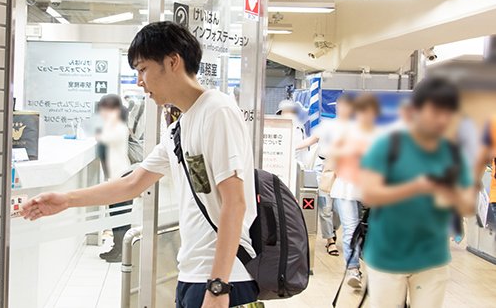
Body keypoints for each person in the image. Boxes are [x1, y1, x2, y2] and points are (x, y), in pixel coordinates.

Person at [21, 22, 258, 308]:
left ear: (172, 62)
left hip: (224, 280)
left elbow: (235, 202)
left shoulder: (217, 111)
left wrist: (218, 288)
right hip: (193, 274)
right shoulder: (178, 127)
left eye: (143, 68)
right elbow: (133, 183)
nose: (139, 81)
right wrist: (66, 200)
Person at [360, 77, 475, 308]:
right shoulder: (387, 146)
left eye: (448, 112)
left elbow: (468, 206)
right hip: (387, 255)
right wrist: (416, 187)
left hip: (432, 257)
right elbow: (369, 195)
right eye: (435, 111)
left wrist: (451, 194)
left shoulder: (453, 154)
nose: (442, 119)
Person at [330, 93, 381, 289]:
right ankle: (353, 270)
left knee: (372, 232)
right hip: (346, 189)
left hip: (371, 191)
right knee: (350, 229)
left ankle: (375, 269)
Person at [296, 93, 355, 257]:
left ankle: (333, 230)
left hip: (344, 170)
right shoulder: (327, 125)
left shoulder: (354, 128)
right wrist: (289, 146)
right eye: (339, 105)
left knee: (337, 208)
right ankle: (330, 240)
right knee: (325, 205)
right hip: (323, 168)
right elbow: (310, 141)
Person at [95, 94, 132, 263]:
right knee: (115, 215)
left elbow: (102, 138)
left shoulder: (119, 127)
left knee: (120, 216)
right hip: (116, 178)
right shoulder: (115, 126)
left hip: (121, 177)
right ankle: (117, 248)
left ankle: (121, 251)